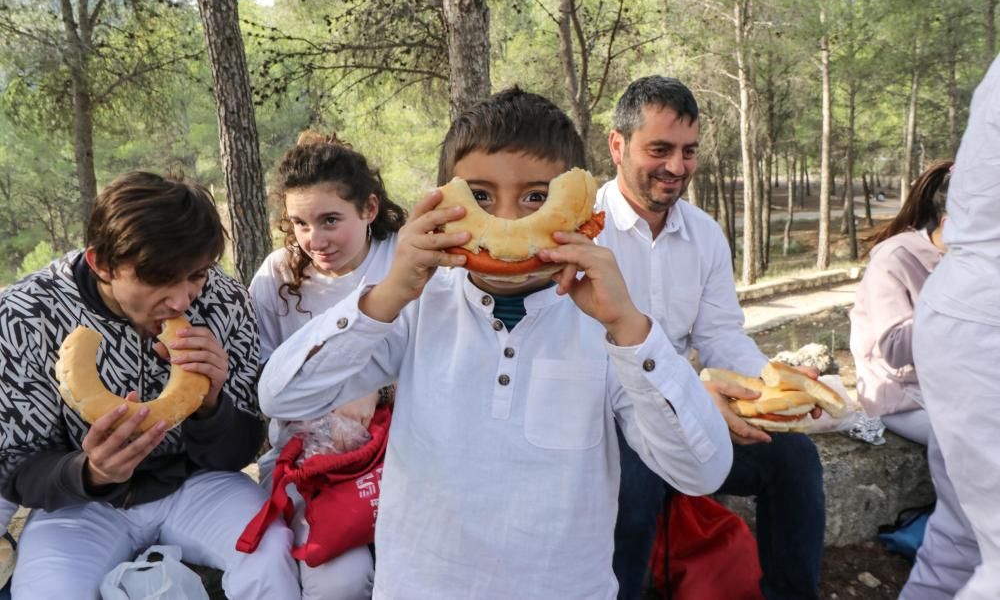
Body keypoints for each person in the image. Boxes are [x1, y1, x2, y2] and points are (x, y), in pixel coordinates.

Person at [258, 88, 732, 598]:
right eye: (480, 198)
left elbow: (701, 470)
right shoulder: (416, 307)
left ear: (578, 210)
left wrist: (632, 331)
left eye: (535, 198)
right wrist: (388, 293)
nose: (507, 222)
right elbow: (283, 397)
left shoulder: (607, 325)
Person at [0, 171, 298, 599]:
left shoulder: (225, 300)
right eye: (159, 280)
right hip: (81, 506)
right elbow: (14, 466)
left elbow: (241, 451)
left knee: (271, 559)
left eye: (196, 275)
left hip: (197, 485)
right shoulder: (25, 314)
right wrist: (89, 471)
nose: (182, 301)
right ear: (102, 263)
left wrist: (213, 406)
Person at [598, 76, 825, 600]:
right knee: (634, 482)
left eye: (689, 151)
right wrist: (679, 395)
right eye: (660, 149)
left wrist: (771, 386)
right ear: (617, 145)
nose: (677, 168)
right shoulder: (585, 229)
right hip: (605, 413)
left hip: (690, 407)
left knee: (793, 460)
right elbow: (578, 357)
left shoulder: (703, 234)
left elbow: (722, 335)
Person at [249, 130, 405, 599]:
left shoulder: (402, 259)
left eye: (330, 220)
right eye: (300, 223)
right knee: (340, 580)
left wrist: (377, 393)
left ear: (369, 209)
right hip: (310, 464)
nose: (314, 240)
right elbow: (264, 379)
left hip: (401, 453)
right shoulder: (278, 275)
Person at [901, 55, 1000, 599]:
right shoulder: (896, 258)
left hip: (966, 333)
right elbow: (883, 349)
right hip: (980, 336)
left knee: (961, 537)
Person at [849, 160, 951, 445]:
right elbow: (894, 347)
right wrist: (960, 296)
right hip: (902, 398)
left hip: (956, 391)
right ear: (950, 224)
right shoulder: (895, 259)